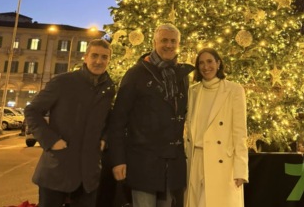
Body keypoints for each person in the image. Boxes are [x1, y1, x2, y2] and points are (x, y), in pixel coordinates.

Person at [108, 23, 194, 207]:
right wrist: (118, 160)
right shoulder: (136, 73)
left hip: (171, 164)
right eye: (164, 40)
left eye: (173, 41)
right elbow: (118, 120)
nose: (169, 45)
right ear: (154, 42)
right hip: (143, 163)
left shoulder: (181, 76)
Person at [24, 39, 115, 207]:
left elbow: (108, 118)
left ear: (109, 60)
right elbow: (32, 111)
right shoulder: (63, 82)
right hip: (57, 170)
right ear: (86, 57)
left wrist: (104, 139)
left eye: (104, 57)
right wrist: (51, 141)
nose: (99, 61)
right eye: (94, 55)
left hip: (89, 176)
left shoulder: (108, 88)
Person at [184, 48, 248, 207]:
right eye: (201, 63)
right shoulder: (193, 92)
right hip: (195, 160)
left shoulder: (234, 90)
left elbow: (240, 132)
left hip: (222, 163)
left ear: (218, 63)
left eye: (210, 61)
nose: (206, 67)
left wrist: (240, 169)